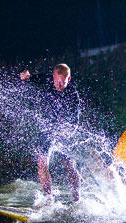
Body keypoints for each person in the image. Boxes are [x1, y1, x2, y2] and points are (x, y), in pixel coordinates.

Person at [20, 63, 82, 202]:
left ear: (69, 79)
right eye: (56, 81)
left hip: (65, 132)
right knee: (42, 163)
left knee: (69, 166)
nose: (59, 85)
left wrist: (68, 132)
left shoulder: (73, 94)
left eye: (62, 82)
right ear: (52, 77)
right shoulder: (46, 79)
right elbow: (28, 80)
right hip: (47, 130)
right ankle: (49, 199)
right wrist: (25, 77)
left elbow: (75, 121)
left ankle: (77, 200)